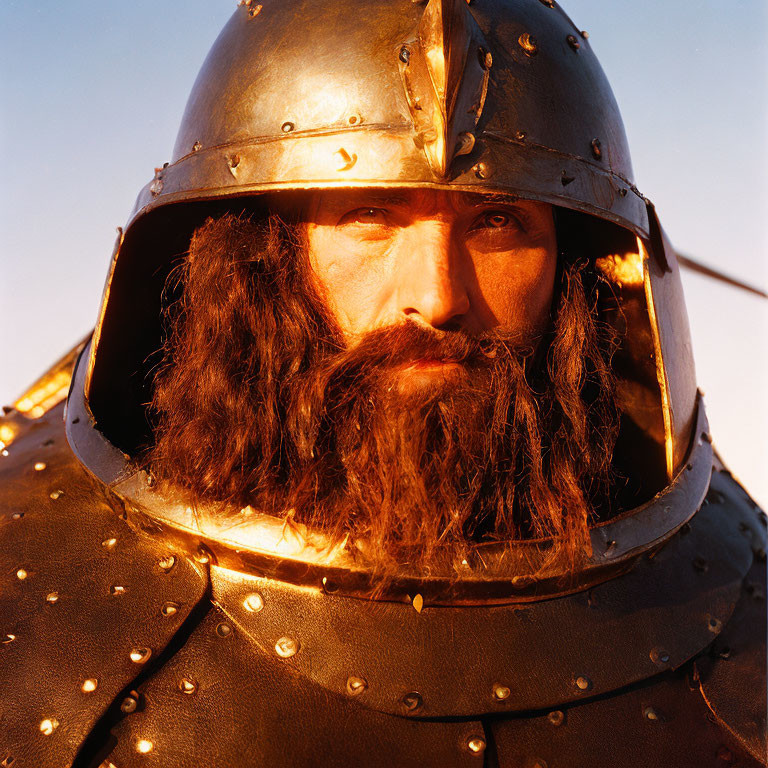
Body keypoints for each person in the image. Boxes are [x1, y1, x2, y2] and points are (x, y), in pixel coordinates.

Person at [0, 0, 765, 766]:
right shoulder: (25, 579)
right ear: (261, 257)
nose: (436, 297)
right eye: (370, 214)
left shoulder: (738, 600)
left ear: (577, 270)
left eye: (497, 223)